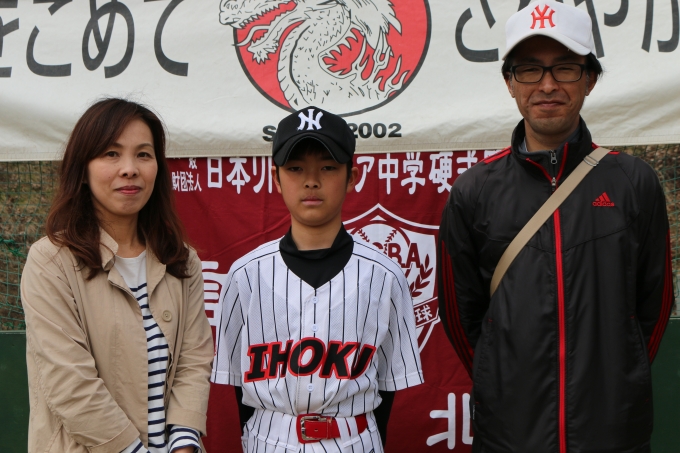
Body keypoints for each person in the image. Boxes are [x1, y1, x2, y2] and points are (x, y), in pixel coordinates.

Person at [437, 2, 673, 452]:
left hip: (613, 431)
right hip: (509, 434)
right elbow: (460, 313)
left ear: (590, 79)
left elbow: (655, 305)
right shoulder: (474, 191)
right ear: (510, 83)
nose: (547, 85)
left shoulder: (633, 182)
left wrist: (621, 381)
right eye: (529, 70)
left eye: (565, 67)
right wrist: (501, 382)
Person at [210, 107, 423, 452]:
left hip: (354, 440)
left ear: (352, 176)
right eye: (296, 168)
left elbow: (389, 387)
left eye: (327, 167)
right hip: (268, 439)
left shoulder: (385, 275)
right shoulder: (244, 275)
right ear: (276, 178)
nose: (311, 181)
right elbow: (237, 385)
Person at [21, 98, 214, 453]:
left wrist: (184, 445)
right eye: (111, 154)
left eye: (143, 154)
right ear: (83, 168)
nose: (129, 169)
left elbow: (194, 362)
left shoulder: (182, 260)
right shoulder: (50, 262)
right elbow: (70, 384)